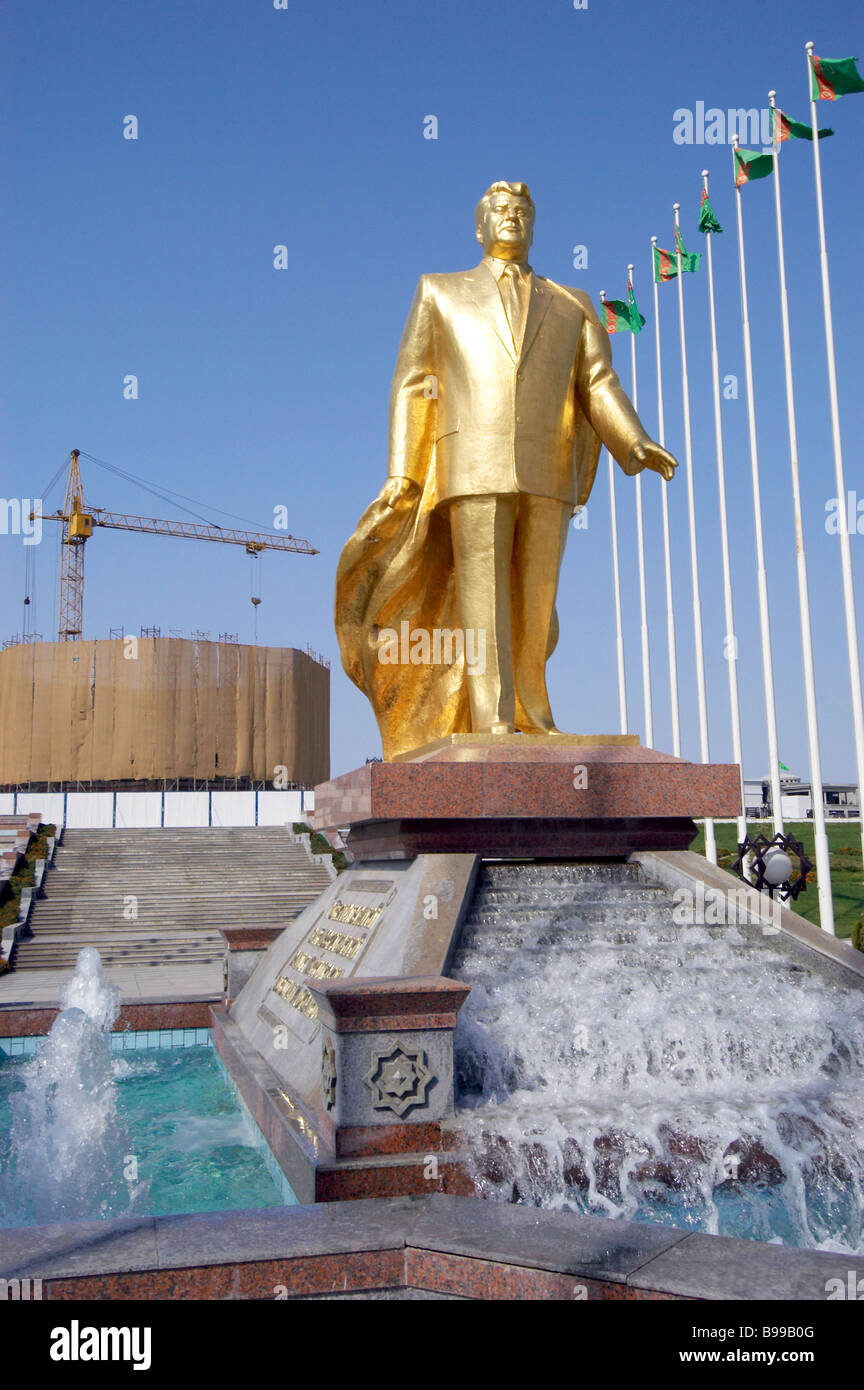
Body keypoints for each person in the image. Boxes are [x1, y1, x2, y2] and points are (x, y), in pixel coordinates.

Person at [336, 181, 677, 757]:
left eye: (522, 211)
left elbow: (596, 382)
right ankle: (491, 718)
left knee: (536, 599)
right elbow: (412, 382)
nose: (511, 218)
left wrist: (633, 440)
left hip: (549, 466)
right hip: (471, 464)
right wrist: (402, 472)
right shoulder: (439, 291)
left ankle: (534, 713)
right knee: (483, 597)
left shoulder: (573, 302)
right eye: (499, 210)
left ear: (535, 225)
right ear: (480, 227)